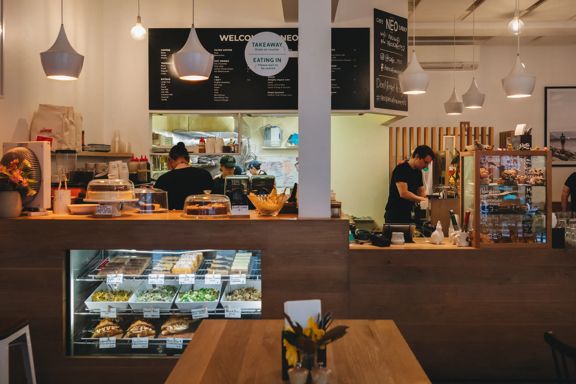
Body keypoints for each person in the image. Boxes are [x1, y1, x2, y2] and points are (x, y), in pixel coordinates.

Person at [154, 142, 214, 210]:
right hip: (200, 218)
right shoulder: (205, 175)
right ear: (188, 159)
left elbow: (157, 206)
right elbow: (213, 201)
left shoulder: (163, 179)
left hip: (172, 219)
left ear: (170, 160)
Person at [384, 145, 435, 224]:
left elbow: (421, 191)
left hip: (408, 214)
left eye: (428, 164)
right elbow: (403, 193)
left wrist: (430, 200)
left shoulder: (418, 172)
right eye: (425, 162)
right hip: (395, 214)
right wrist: (423, 200)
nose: (426, 166)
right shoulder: (401, 169)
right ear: (417, 156)